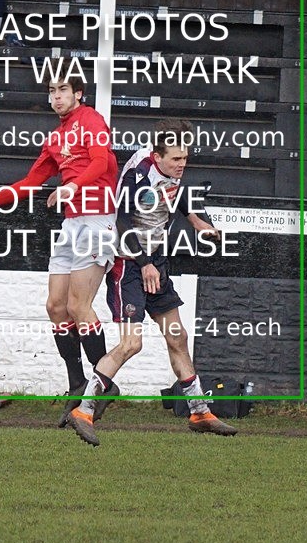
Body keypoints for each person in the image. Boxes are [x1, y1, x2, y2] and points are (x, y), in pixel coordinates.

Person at [0, 60, 120, 421]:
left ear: (78, 93)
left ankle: (102, 383)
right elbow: (29, 183)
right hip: (72, 224)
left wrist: (73, 186)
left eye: (63, 89)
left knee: (79, 307)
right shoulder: (57, 137)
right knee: (55, 307)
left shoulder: (91, 119)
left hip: (96, 221)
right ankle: (77, 383)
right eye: (51, 90)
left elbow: (102, 161)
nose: (56, 96)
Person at [67, 118, 238, 446]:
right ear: (157, 156)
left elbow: (180, 195)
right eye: (176, 159)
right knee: (132, 344)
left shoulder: (172, 171)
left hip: (155, 263)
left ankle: (199, 411)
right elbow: (122, 222)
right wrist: (144, 264)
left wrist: (200, 223)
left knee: (178, 336)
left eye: (185, 158)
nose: (181, 164)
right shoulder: (138, 175)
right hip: (129, 265)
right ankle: (84, 411)